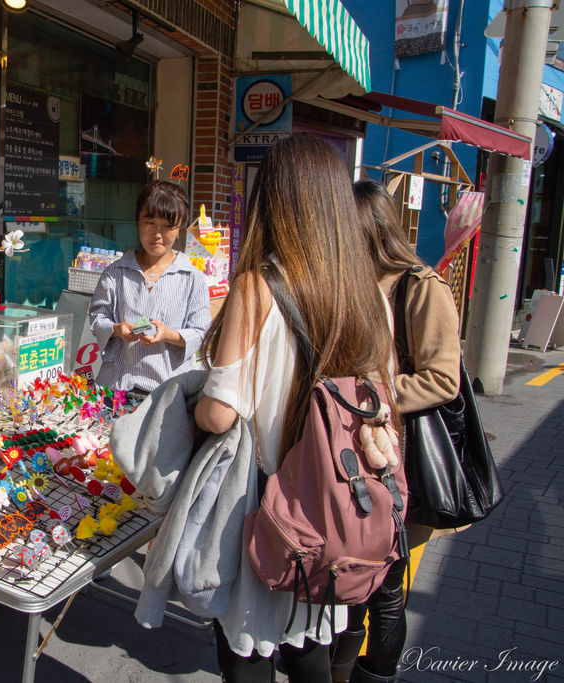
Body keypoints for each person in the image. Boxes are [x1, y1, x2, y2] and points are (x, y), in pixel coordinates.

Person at [193, 136, 397, 682]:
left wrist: (193, 403)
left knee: (250, 653)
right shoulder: (368, 293)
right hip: (335, 499)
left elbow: (219, 415)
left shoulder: (257, 288)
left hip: (270, 501)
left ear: (273, 199)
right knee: (310, 643)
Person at [328, 178, 461, 683]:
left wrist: (370, 396)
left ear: (369, 229)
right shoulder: (351, 285)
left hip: (404, 463)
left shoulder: (421, 286)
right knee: (352, 579)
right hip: (354, 459)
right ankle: (340, 667)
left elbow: (443, 378)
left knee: (387, 590)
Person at [88, 180, 210, 395]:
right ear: (138, 221)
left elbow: (201, 333)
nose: (157, 233)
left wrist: (168, 334)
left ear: (180, 228)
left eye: (168, 225)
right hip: (117, 389)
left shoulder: (193, 278)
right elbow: (97, 319)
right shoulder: (116, 273)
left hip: (168, 394)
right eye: (150, 222)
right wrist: (117, 330)